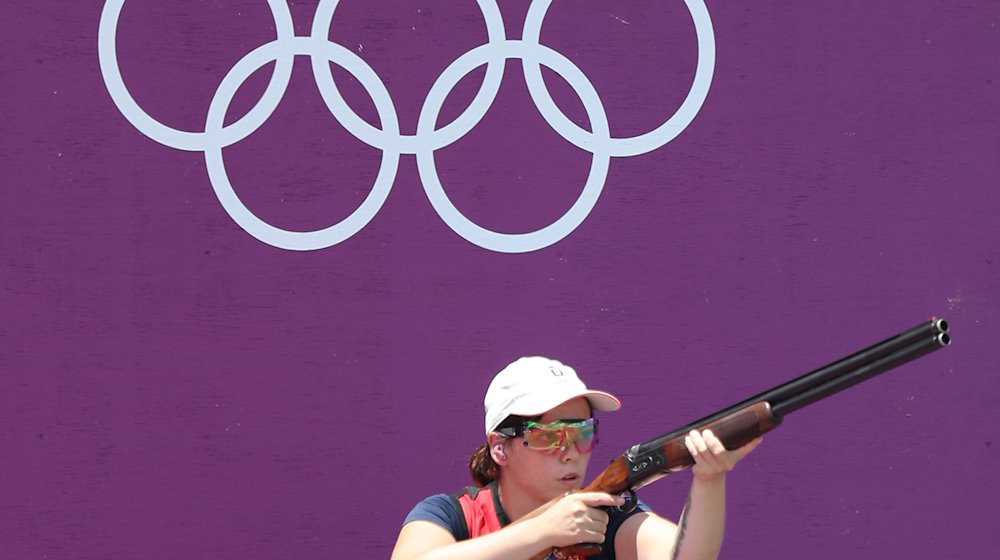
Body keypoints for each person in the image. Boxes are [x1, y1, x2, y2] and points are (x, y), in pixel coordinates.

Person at [391, 356, 762, 560]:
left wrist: (710, 480)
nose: (570, 452)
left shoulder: (606, 519)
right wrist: (544, 530)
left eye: (581, 433)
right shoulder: (451, 515)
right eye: (550, 436)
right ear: (499, 447)